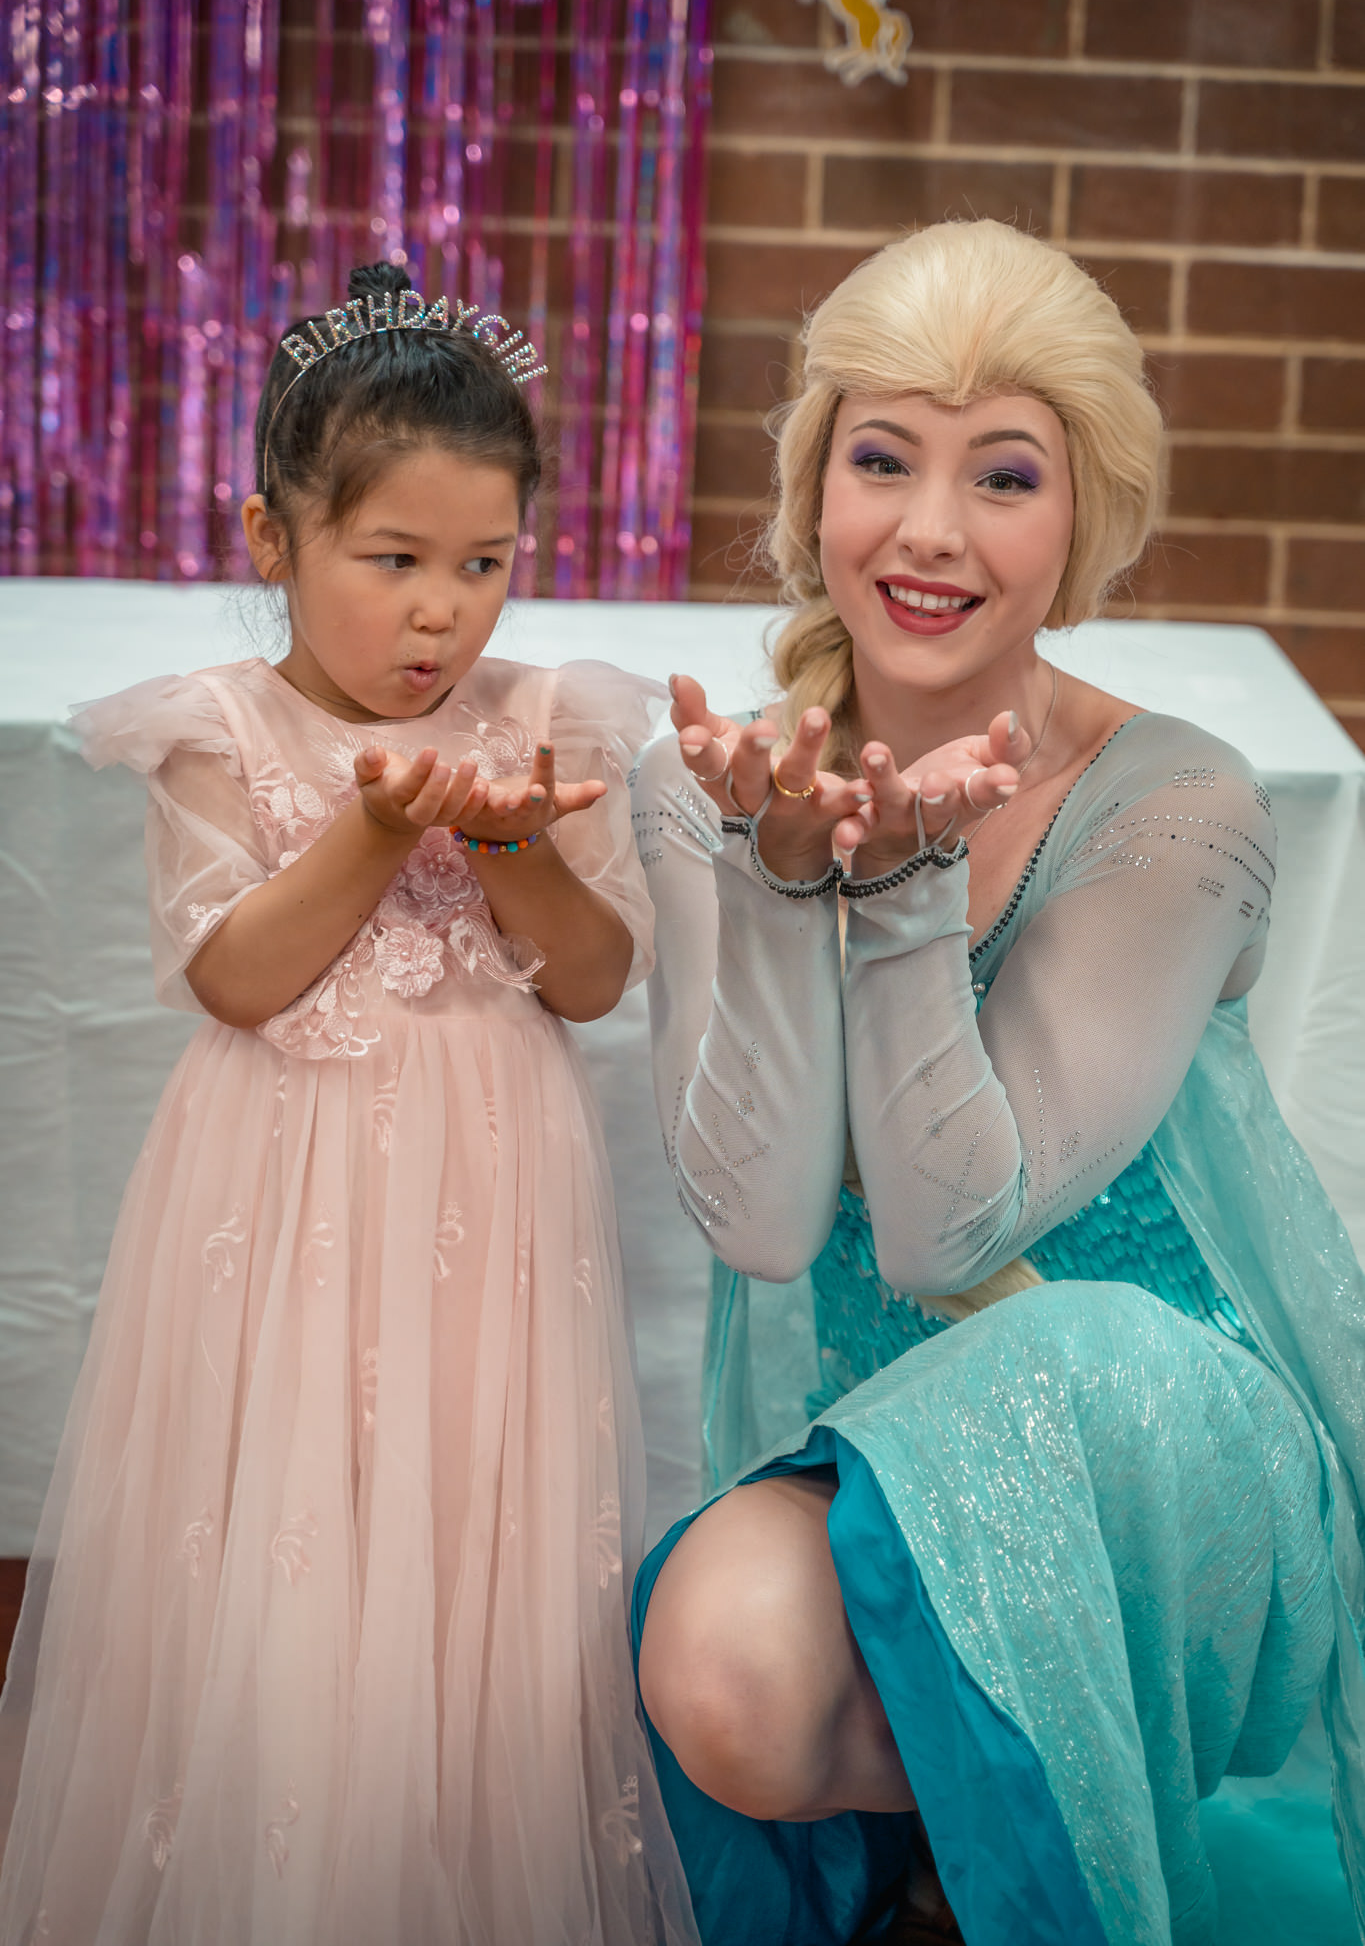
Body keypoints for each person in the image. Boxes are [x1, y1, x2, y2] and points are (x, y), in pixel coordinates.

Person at [628, 219, 1365, 1946]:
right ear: (816, 484)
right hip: (880, 1451)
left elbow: (947, 1226)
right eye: (882, 458)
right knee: (723, 1658)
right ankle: (971, 1854)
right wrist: (776, 874)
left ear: (1082, 515)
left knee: (1062, 1347)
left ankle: (998, 1871)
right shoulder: (714, 786)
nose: (930, 531)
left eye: (1005, 476)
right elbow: (762, 1227)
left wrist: (898, 893)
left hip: (1171, 1446)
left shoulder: (1176, 804)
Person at [0, 264, 696, 1946]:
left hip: (493, 1193)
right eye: (392, 560)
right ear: (273, 537)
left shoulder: (546, 721)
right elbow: (238, 978)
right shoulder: (216, 732)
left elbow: (594, 980)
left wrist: (510, 844)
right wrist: (375, 831)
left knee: (465, 1528)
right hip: (280, 1193)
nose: (440, 615)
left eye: (483, 564)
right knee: (292, 1522)